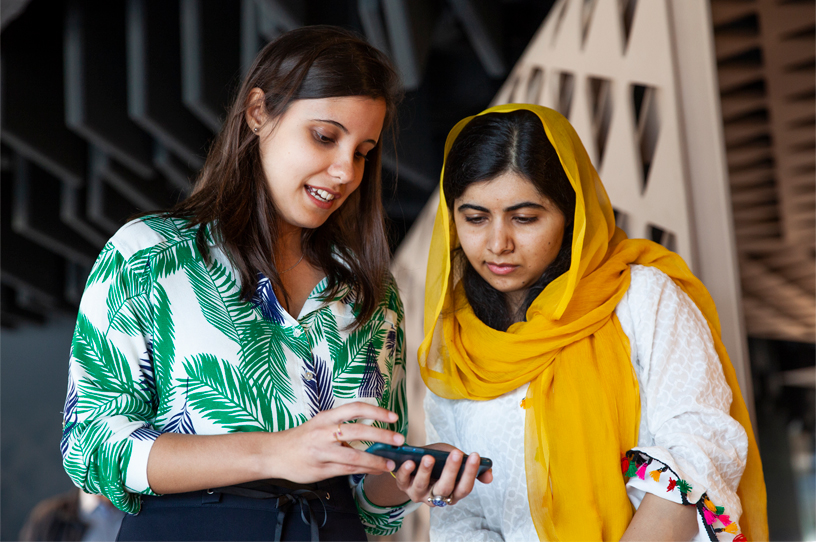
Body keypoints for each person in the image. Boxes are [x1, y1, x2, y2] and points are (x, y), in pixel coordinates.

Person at [60, 26, 482, 542]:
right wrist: (279, 450)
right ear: (258, 112)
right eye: (325, 137)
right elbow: (93, 446)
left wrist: (408, 476)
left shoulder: (368, 289)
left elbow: (371, 504)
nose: (345, 170)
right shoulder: (148, 255)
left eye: (363, 150)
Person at [417, 103, 768, 541]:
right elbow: (459, 519)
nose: (497, 243)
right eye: (474, 218)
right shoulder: (457, 345)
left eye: (525, 218)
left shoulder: (639, 297)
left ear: (573, 215)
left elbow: (699, 450)